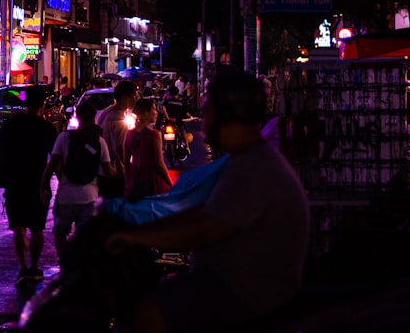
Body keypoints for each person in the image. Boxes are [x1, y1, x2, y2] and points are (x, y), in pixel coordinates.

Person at [105, 69, 310, 333]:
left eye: (208, 112)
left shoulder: (254, 167)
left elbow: (206, 227)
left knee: (147, 313)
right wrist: (137, 224)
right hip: (230, 280)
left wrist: (136, 237)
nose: (203, 122)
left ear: (226, 114)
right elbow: (202, 212)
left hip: (246, 290)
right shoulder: (244, 160)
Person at [0, 86, 58, 286]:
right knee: (37, 228)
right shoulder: (46, 128)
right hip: (38, 183)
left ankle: (22, 267)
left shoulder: (11, 124)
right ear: (42, 104)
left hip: (14, 181)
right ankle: (34, 266)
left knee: (18, 226)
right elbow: (55, 158)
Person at [41, 101, 112, 267]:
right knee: (84, 236)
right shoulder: (99, 141)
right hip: (89, 197)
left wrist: (43, 186)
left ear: (77, 117)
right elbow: (109, 171)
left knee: (60, 233)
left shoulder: (64, 138)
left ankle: (66, 264)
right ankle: (81, 267)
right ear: (94, 118)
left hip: (66, 196)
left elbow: (51, 166)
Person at [123, 98, 173, 200]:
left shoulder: (129, 134)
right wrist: (170, 182)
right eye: (154, 110)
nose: (156, 113)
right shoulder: (154, 134)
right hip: (152, 180)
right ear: (146, 113)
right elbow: (159, 163)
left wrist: (129, 180)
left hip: (136, 180)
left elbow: (126, 161)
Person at [96, 80, 138, 199]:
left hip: (102, 171)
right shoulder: (119, 118)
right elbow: (120, 148)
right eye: (134, 95)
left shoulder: (106, 112)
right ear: (125, 97)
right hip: (116, 174)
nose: (135, 99)